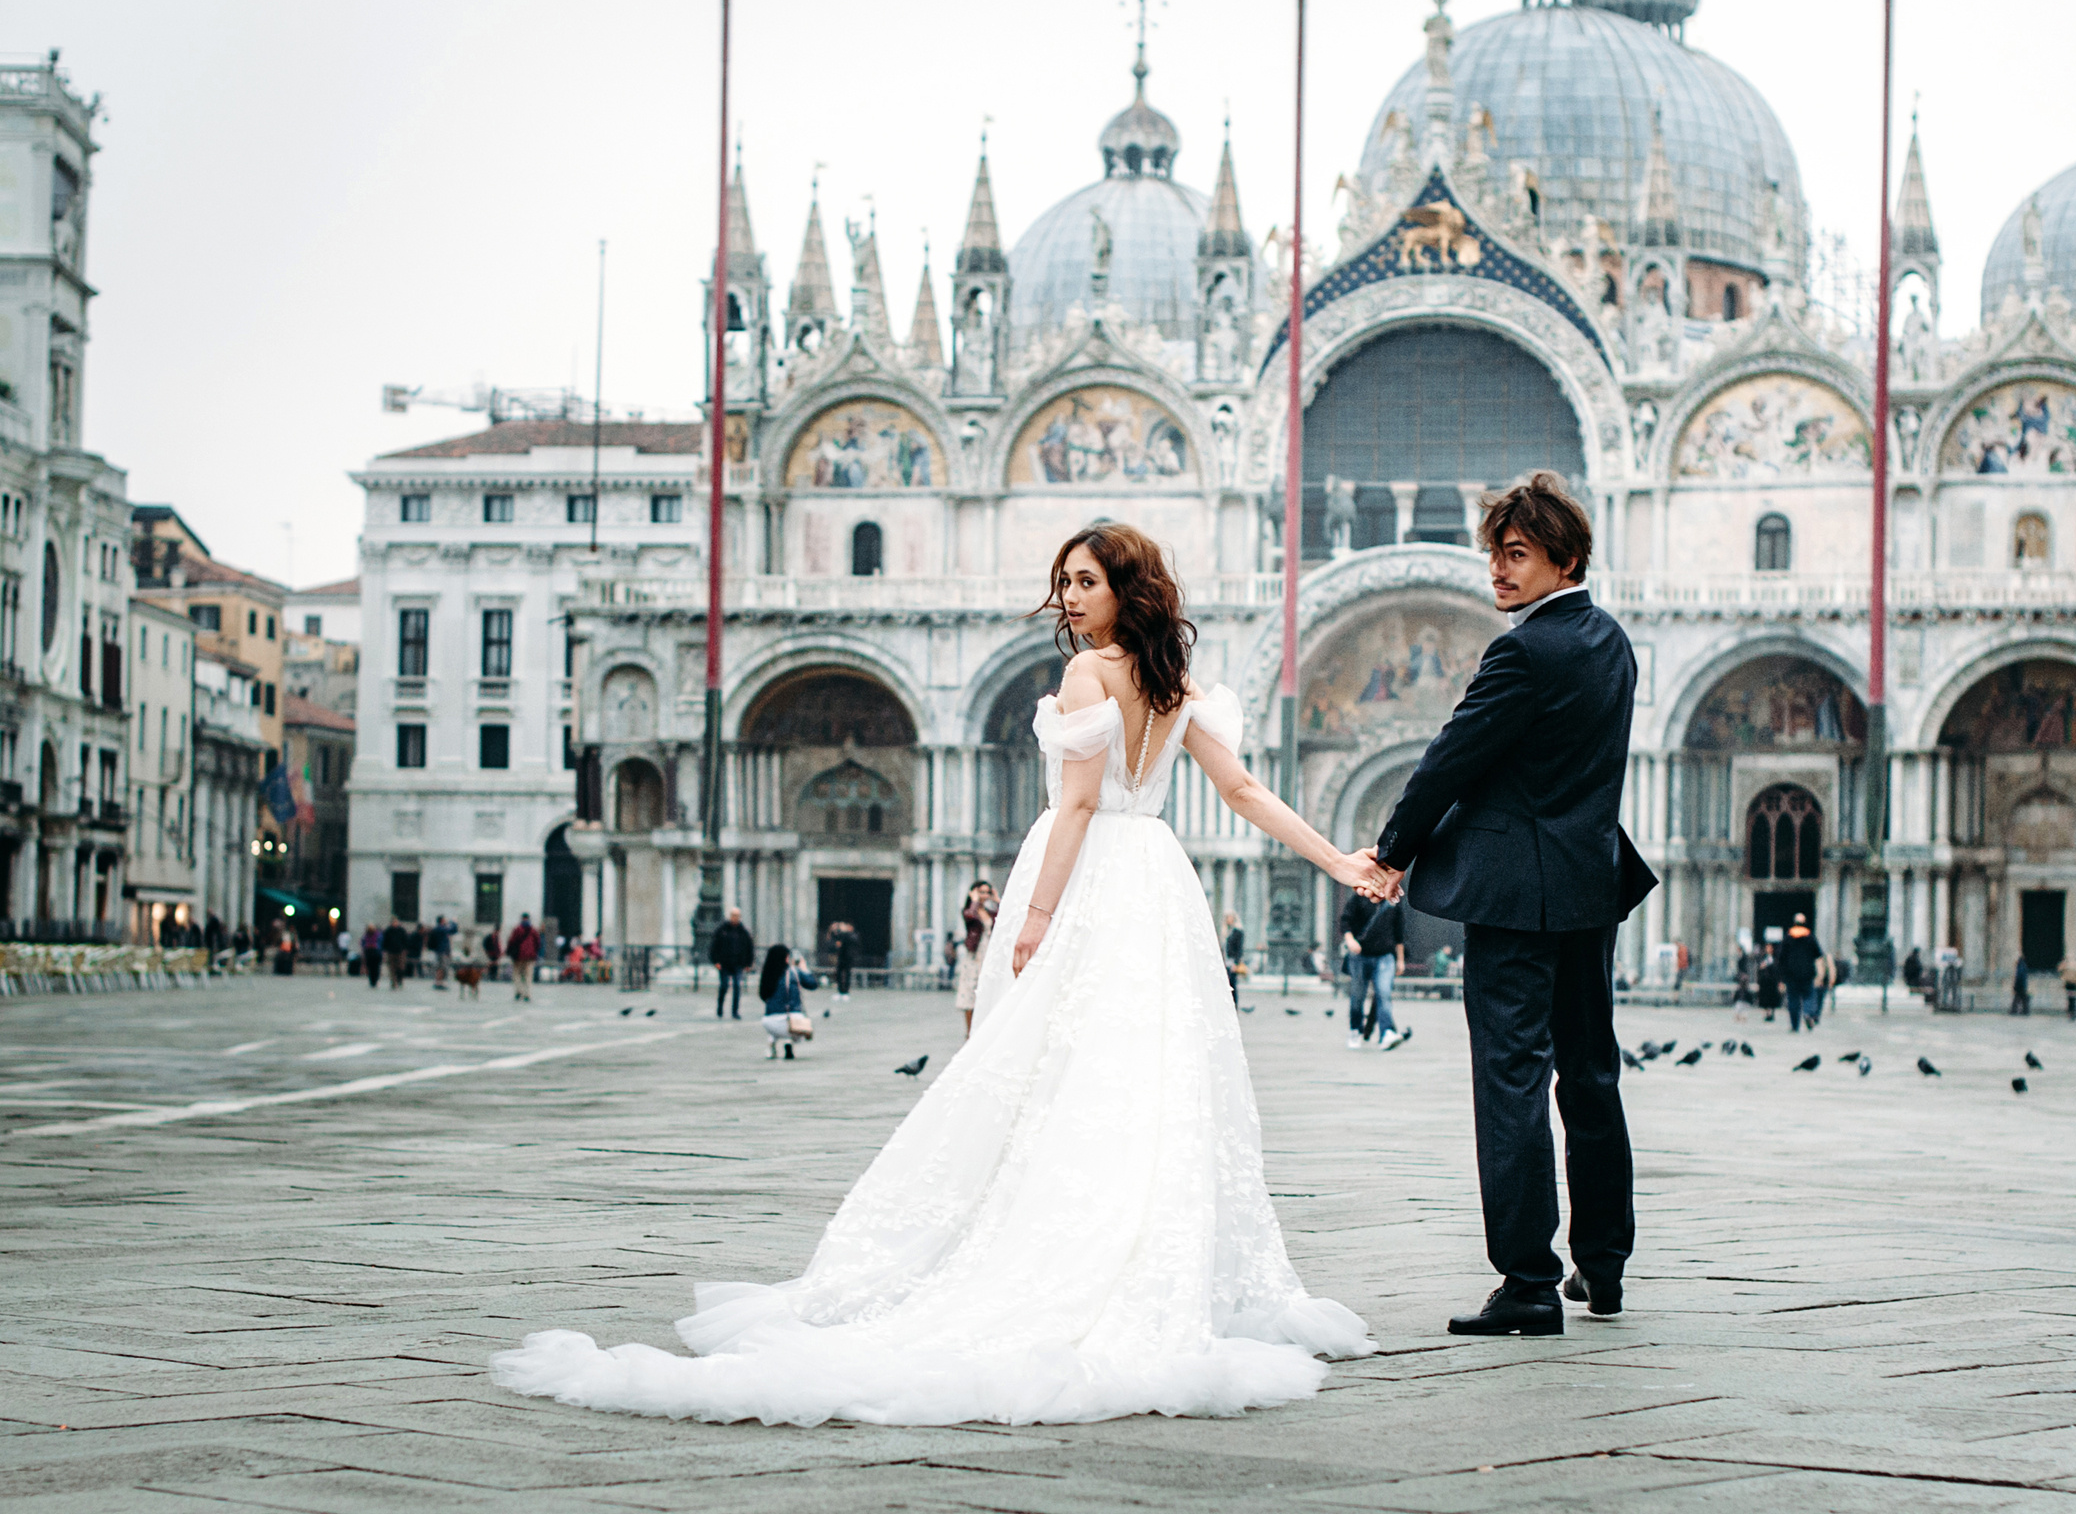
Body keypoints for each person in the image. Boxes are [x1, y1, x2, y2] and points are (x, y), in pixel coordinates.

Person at [495, 520, 1371, 1424]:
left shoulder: (1088, 673)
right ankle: (1134, 1250)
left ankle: (1051, 1245)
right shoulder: (1175, 683)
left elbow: (1073, 806)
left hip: (1091, 878)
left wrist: (1028, 921)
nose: (1069, 596)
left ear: (1126, 589)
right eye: (1063, 579)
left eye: (1086, 581)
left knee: (1042, 1069)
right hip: (1158, 881)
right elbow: (1243, 793)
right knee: (1140, 1075)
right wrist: (1338, 859)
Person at [1353, 472, 1652, 1338]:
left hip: (1517, 897)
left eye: (1516, 555)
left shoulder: (1524, 651)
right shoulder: (1612, 643)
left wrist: (1392, 853)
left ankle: (1527, 1281)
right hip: (1590, 884)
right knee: (1591, 1073)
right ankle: (1603, 1267)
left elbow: (1451, 757)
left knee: (1512, 1079)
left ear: (1565, 556)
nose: (1499, 572)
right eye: (1495, 555)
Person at [1338, 887, 1407, 1050]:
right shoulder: (1359, 897)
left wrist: (1400, 959)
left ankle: (1386, 1033)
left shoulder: (1393, 901)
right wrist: (1350, 940)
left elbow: (1399, 932)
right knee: (1358, 996)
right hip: (1360, 955)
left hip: (1385, 955)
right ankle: (1355, 1030)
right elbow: (1345, 920)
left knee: (1384, 993)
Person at [758, 944, 820, 1060]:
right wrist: (804, 968)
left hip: (769, 1022)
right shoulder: (793, 972)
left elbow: (763, 996)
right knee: (795, 1025)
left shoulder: (767, 974)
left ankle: (771, 1043)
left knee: (778, 1024)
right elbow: (813, 984)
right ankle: (789, 1042)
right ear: (786, 957)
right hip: (792, 1021)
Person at [954, 883, 994, 1036]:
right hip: (975, 957)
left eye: (987, 892)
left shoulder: (989, 912)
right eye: (981, 892)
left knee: (986, 992)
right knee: (970, 993)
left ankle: (981, 1030)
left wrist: (997, 900)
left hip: (988, 955)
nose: (984, 895)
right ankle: (969, 1032)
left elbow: (1003, 919)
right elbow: (970, 915)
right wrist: (975, 901)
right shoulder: (970, 910)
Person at [709, 908, 755, 1020]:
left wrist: (748, 963)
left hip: (738, 963)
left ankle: (735, 1011)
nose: (735, 918)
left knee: (737, 986)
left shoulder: (743, 931)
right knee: (724, 986)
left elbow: (749, 948)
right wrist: (716, 961)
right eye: (733, 915)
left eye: (737, 915)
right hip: (724, 963)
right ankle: (720, 1008)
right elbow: (714, 946)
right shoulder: (722, 930)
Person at [505, 912, 541, 1002]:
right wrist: (535, 952)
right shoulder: (533, 930)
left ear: (521, 919)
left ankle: (519, 991)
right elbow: (538, 943)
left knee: (517, 974)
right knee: (528, 976)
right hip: (530, 957)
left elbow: (511, 941)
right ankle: (527, 993)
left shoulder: (517, 929)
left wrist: (508, 951)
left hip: (518, 956)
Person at [1222, 910, 1247, 1005]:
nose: (1228, 919)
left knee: (1232, 984)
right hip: (1226, 961)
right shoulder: (1226, 931)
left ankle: (1234, 1005)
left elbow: (1239, 949)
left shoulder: (1238, 932)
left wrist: (1236, 963)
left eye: (1230, 917)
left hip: (1232, 961)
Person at [2061, 950, 2076, 1021]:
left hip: (2069, 984)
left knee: (2070, 999)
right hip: (2073, 984)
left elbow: (2061, 973)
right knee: (2073, 999)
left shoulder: (2066, 965)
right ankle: (2073, 1013)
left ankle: (2071, 1013)